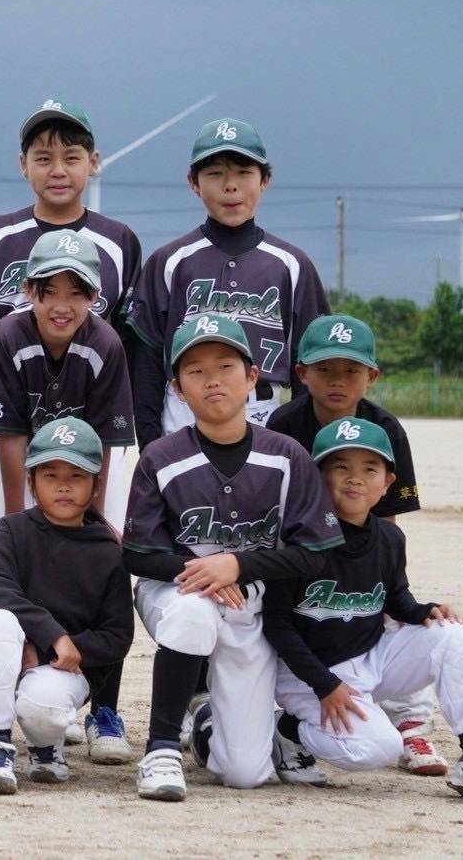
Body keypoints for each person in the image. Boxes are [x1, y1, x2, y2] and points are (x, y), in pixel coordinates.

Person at [123, 314, 345, 801]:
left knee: (245, 771)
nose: (212, 380)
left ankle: (206, 723)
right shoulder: (160, 457)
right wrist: (207, 573)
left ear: (252, 378)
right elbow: (139, 554)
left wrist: (239, 566)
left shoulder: (287, 456)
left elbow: (314, 553)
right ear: (178, 388)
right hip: (175, 590)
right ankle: (161, 749)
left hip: (251, 602)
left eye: (225, 366)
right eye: (195, 371)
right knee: (193, 613)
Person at [0, 99, 141, 632]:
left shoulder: (119, 241)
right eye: (43, 157)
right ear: (23, 165)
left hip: (89, 417)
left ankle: (87, 664)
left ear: (93, 163)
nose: (58, 170)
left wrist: (132, 434)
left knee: (94, 540)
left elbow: (128, 341)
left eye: (71, 157)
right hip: (3, 413)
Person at [262, 417, 463, 805]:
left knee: (452, 634)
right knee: (377, 749)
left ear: (387, 482)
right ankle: (287, 730)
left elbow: (395, 600)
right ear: (317, 476)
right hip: (307, 673)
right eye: (340, 466)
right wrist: (325, 685)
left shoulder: (389, 537)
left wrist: (425, 610)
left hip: (370, 657)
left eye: (369, 469)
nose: (355, 478)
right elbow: (277, 626)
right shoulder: (298, 539)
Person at [0, 229, 136, 762]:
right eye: (49, 291)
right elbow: (10, 434)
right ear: (29, 291)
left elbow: (106, 441)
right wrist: (14, 523)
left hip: (87, 464)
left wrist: (95, 519)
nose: (62, 305)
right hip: (25, 456)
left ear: (95, 297)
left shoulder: (105, 344)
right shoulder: (7, 335)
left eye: (76, 292)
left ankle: (103, 709)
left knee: (104, 562)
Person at [266, 313, 437, 777]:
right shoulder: (285, 424)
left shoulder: (386, 427)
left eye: (351, 370)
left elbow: (386, 518)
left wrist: (377, 574)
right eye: (325, 369)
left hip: (362, 546)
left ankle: (411, 724)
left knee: (394, 616)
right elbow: (275, 506)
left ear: (371, 376)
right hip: (301, 552)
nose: (338, 381)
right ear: (302, 374)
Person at [126, 117, 328, 447]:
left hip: (264, 411)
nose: (230, 186)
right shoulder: (169, 262)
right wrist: (150, 447)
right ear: (194, 182)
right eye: (215, 173)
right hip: (184, 412)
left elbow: (310, 363)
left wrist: (302, 445)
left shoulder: (292, 265)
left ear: (265, 180)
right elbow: (146, 364)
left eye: (244, 172)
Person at [0, 417, 133, 794]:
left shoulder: (108, 550)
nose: (63, 485)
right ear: (31, 482)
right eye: (50, 474)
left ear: (96, 485)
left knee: (42, 706)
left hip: (64, 668)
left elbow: (117, 635)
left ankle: (46, 745)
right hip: (11, 651)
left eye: (77, 476)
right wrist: (52, 636)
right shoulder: (12, 529)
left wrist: (51, 651)